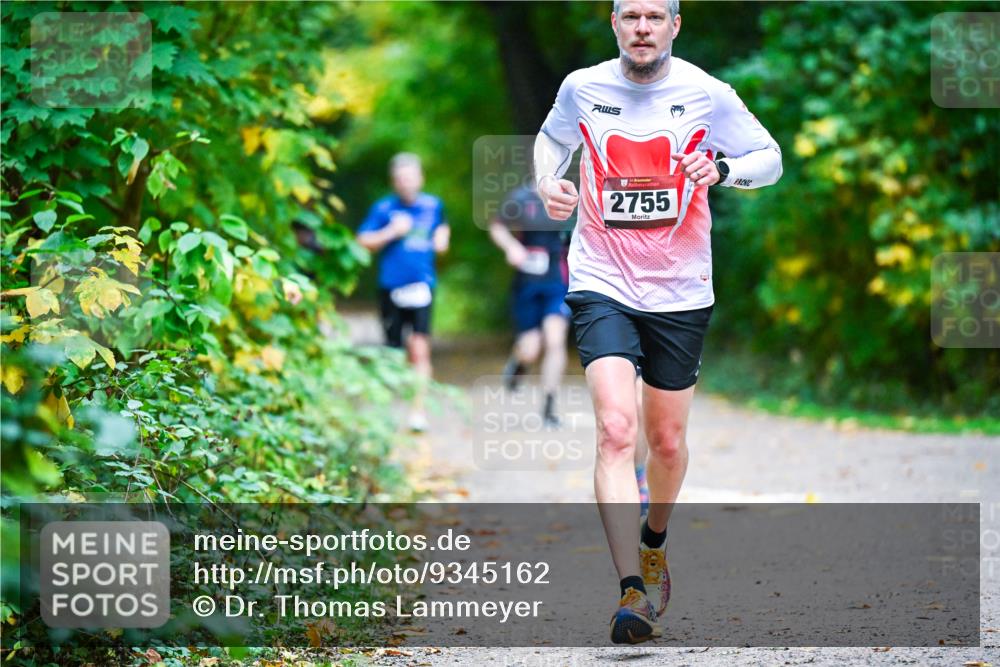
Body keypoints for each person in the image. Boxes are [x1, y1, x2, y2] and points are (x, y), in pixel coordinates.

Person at [533, 0, 782, 644]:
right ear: (613, 24)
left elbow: (770, 157)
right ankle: (631, 594)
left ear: (675, 26)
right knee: (617, 431)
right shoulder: (582, 86)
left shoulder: (706, 92)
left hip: (679, 289)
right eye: (629, 16)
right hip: (601, 279)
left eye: (654, 16)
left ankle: (654, 540)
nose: (641, 28)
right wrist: (548, 182)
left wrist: (723, 169)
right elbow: (552, 139)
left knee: (666, 443)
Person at [357, 153, 450, 433]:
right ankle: (388, 413)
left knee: (420, 347)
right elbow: (362, 240)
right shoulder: (383, 208)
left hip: (423, 285)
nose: (407, 183)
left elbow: (442, 226)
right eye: (401, 179)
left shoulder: (434, 206)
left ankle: (417, 411)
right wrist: (390, 232)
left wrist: (442, 238)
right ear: (394, 182)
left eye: (411, 177)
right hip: (391, 287)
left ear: (420, 178)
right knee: (394, 352)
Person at [488, 184, 571, 428]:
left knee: (555, 340)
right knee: (531, 348)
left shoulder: (570, 196)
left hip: (558, 281)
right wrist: (512, 247)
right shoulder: (521, 198)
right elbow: (497, 226)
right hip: (527, 283)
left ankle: (548, 408)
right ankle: (519, 363)